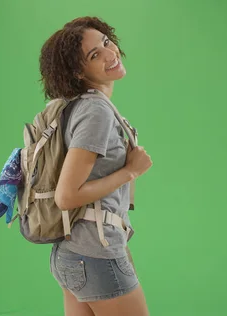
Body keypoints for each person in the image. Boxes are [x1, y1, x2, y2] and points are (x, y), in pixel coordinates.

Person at [38, 16, 152, 316]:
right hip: (94, 254)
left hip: (72, 252)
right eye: (94, 55)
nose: (110, 53)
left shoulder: (75, 106)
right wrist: (131, 171)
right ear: (77, 71)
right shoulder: (95, 111)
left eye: (105, 42)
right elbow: (67, 195)